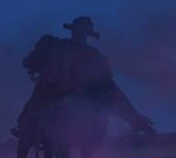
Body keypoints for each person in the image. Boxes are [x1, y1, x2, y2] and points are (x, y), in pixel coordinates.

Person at [12, 16, 153, 137]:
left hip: (57, 92)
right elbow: (109, 86)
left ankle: (24, 128)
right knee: (111, 96)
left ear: (73, 31)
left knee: (38, 97)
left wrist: (33, 65)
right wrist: (132, 114)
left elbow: (32, 61)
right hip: (85, 94)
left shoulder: (57, 45)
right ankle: (135, 120)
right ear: (88, 34)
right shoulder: (95, 54)